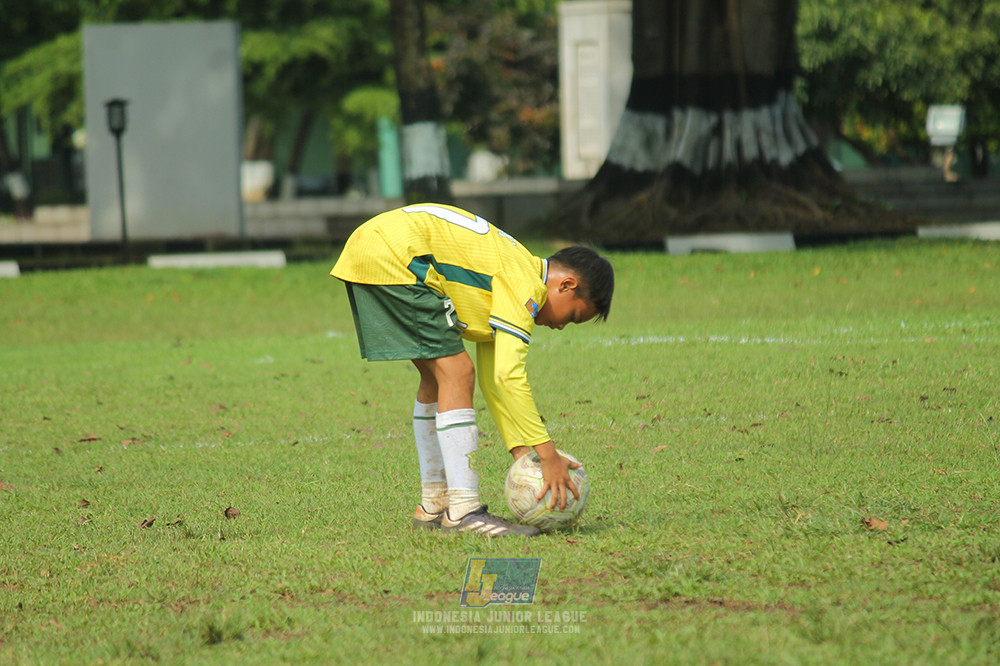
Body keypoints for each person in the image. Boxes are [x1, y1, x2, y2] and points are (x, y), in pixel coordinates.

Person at [331, 203, 614, 537]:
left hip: (375, 245)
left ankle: (434, 505)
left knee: (438, 378)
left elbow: (494, 382)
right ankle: (464, 511)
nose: (562, 326)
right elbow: (508, 377)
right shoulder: (525, 285)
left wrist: (521, 453)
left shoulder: (516, 268)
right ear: (566, 285)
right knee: (458, 372)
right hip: (397, 256)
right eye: (573, 316)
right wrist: (548, 455)